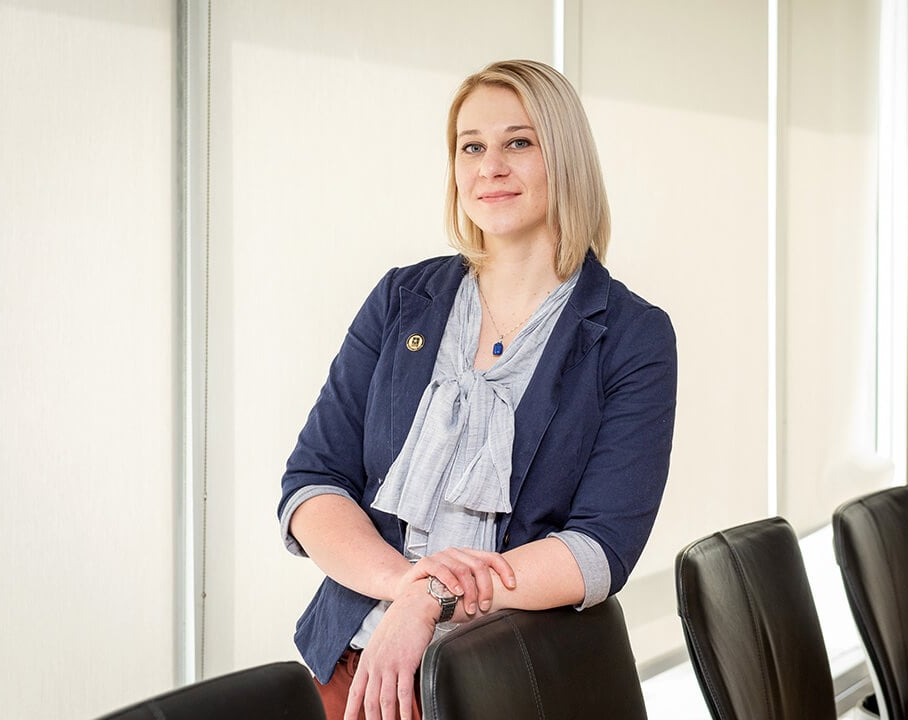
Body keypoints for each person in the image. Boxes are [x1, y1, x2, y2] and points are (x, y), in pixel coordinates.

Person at [277, 59, 677, 720]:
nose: (490, 165)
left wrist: (438, 597)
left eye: (518, 142)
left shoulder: (633, 336)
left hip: (510, 682)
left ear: (566, 158)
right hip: (357, 670)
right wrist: (407, 588)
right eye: (472, 146)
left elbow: (600, 549)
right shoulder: (401, 299)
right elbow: (313, 485)